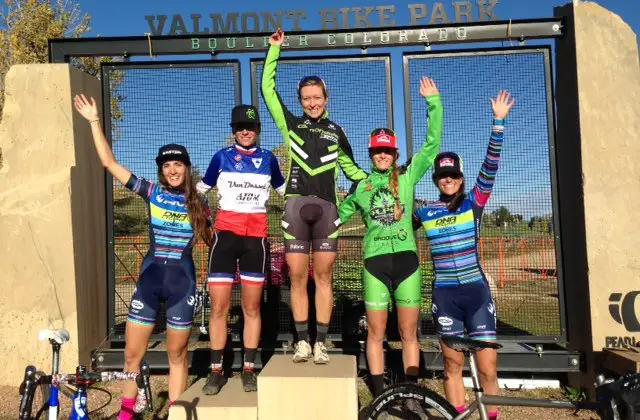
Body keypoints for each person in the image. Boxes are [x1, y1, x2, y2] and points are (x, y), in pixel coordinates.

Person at [73, 94, 211, 419]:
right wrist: (94, 121)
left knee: (178, 355)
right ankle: (125, 414)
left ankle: (176, 413)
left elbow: (213, 239)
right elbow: (109, 164)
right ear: (161, 171)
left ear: (187, 168)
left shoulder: (201, 203)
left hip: (183, 283)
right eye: (167, 165)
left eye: (178, 164)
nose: (173, 170)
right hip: (150, 282)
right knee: (132, 356)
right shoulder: (152, 192)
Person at [261, 28, 367, 364]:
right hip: (295, 207)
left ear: (326, 98)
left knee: (323, 276)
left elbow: (354, 173)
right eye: (306, 98)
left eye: (317, 97)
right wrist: (274, 50)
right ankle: (301, 341)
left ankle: (321, 342)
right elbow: (267, 90)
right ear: (300, 101)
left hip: (326, 211)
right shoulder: (291, 126)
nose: (312, 102)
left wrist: (382, 185)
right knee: (296, 276)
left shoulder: (337, 132)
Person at [338, 77, 443, 397]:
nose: (382, 155)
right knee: (376, 333)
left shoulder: (408, 176)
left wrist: (434, 104)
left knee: (409, 332)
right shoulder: (361, 187)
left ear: (394, 153)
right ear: (371, 154)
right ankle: (381, 392)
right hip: (374, 266)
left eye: (387, 150)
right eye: (377, 151)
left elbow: (431, 146)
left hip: (407, 264)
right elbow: (336, 218)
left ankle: (411, 393)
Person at [414, 90, 515, 420]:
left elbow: (490, 166)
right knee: (451, 367)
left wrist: (498, 123)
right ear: (436, 180)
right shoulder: (425, 212)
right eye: (442, 176)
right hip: (445, 296)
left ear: (460, 178)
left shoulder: (475, 203)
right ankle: (457, 416)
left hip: (475, 292)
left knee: (488, 369)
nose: (447, 180)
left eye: (453, 175)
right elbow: (396, 223)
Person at [196, 105, 285, 395]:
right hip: (224, 239)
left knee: (251, 307)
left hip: (255, 240)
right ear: (232, 130)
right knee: (219, 308)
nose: (245, 131)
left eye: (250, 127)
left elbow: (289, 193)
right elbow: (198, 192)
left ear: (258, 129)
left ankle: (249, 368)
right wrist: (204, 224)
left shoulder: (269, 159)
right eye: (239, 127)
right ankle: (216, 371)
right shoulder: (220, 158)